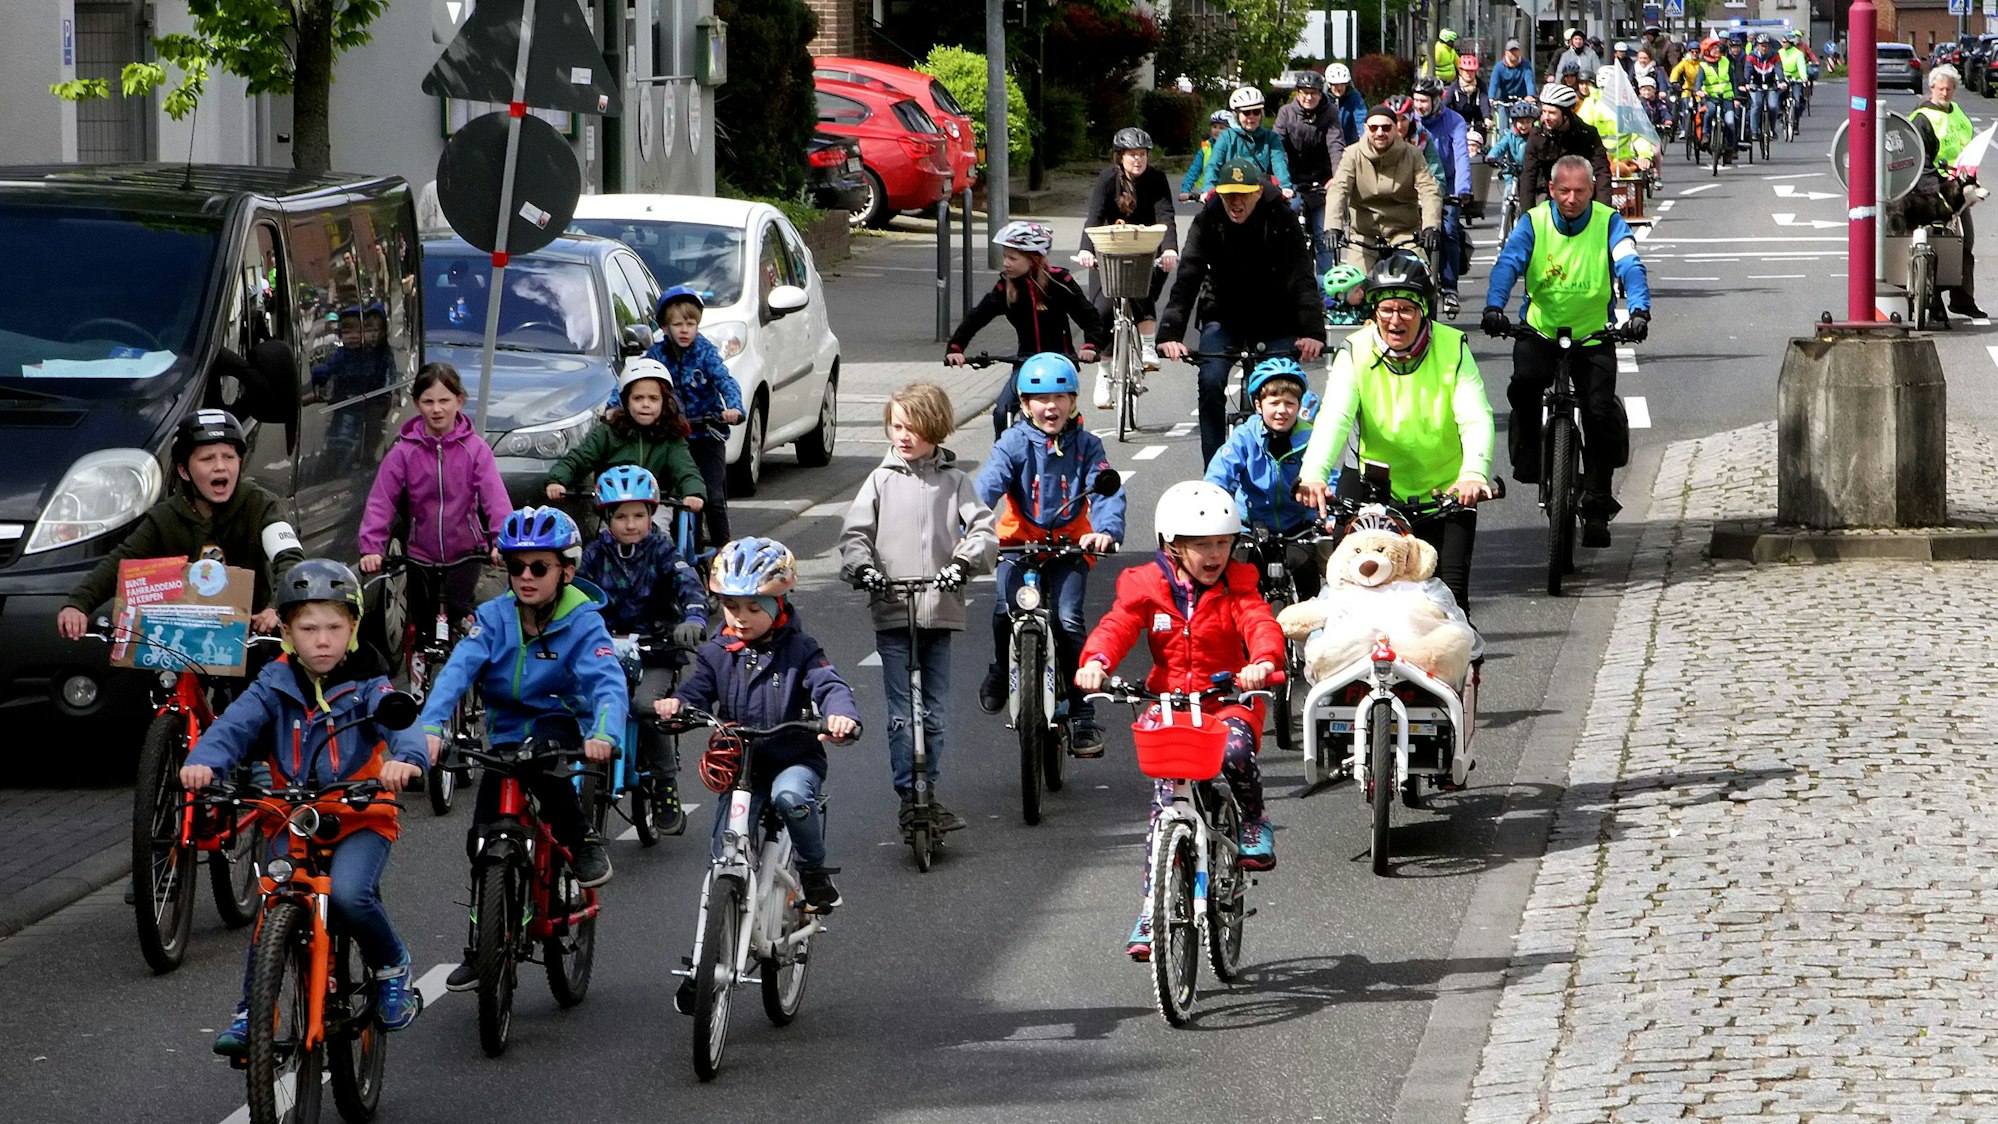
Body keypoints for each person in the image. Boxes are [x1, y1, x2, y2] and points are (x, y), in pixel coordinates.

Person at [185, 559, 428, 1056]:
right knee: (274, 899)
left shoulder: (368, 681)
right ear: (288, 633)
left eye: (335, 628)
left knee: (349, 895)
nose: (323, 640)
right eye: (309, 628)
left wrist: (406, 759)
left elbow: (399, 721)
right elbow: (234, 726)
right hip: (291, 815)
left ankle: (391, 963)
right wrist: (204, 761)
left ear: (353, 628)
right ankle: (254, 1009)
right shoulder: (273, 683)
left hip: (360, 814)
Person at [1074, 479, 1286, 959]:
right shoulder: (1145, 584)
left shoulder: (1240, 584)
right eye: (1201, 545)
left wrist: (1264, 660)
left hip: (1229, 697)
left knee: (1234, 750)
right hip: (1170, 702)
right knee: (1163, 802)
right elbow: (1118, 625)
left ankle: (1253, 817)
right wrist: (1097, 663)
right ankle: (1152, 909)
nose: (1214, 555)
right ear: (1172, 545)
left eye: (1222, 543)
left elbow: (1260, 623)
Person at [429, 505, 627, 990]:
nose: (526, 577)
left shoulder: (583, 619)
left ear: (567, 571)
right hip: (505, 731)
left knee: (545, 763)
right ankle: (481, 947)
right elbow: (458, 670)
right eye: (516, 567)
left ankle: (580, 841)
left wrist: (603, 733)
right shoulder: (494, 617)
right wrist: (430, 726)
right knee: (482, 837)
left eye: (539, 567)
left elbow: (607, 682)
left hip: (560, 719)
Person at [654, 537, 861, 928]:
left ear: (779, 606)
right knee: (724, 855)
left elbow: (830, 685)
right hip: (741, 767)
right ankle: (707, 958)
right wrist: (679, 705)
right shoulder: (717, 651)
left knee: (791, 797)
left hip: (793, 758)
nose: (739, 617)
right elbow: (698, 689)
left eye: (753, 607)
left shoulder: (801, 649)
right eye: (731, 607)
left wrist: (840, 717)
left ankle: (815, 874)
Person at [838, 381, 998, 831]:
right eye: (897, 426)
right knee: (901, 714)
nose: (903, 436)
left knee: (936, 712)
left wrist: (962, 564)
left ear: (937, 428)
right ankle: (910, 794)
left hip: (940, 609)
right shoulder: (880, 480)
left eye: (914, 428)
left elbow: (983, 531)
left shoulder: (955, 481)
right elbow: (854, 535)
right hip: (893, 610)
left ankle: (931, 788)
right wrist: (863, 568)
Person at [1297, 252, 1496, 609]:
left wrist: (1474, 473)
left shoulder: (1452, 347)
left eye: (1407, 309)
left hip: (1445, 490)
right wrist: (1313, 474)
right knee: (1349, 592)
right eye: (1386, 309)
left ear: (1423, 311)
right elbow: (1335, 416)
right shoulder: (1355, 350)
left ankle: (1468, 665)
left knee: (1450, 604)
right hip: (1373, 485)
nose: (1395, 319)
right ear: (1373, 312)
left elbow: (1475, 416)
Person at [1482, 155, 1653, 548]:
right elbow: (1510, 262)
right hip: (1540, 330)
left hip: (1593, 335)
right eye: (1563, 191)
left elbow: (1629, 265)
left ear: (1592, 190)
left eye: (1580, 191)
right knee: (1524, 385)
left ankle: (1596, 503)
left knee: (1598, 412)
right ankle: (1528, 452)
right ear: (1552, 190)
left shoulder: (1609, 221)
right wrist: (1494, 307)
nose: (1571, 199)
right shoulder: (1534, 222)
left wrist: (1639, 310)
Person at [973, 355, 1126, 753]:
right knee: (1002, 611)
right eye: (1040, 399)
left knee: (1068, 619)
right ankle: (997, 668)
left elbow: (1107, 490)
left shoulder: (1088, 446)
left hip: (1072, 546)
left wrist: (1106, 532)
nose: (1051, 406)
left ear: (1074, 400)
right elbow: (986, 486)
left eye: (1060, 396)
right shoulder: (1013, 443)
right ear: (1024, 404)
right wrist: (967, 526)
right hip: (1018, 544)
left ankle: (1082, 713)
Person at [57, 408, 302, 641]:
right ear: (184, 471)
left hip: (253, 637)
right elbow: (120, 563)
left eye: (229, 457)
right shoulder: (164, 517)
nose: (220, 466)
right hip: (187, 640)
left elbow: (288, 558)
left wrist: (277, 607)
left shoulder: (262, 505)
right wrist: (78, 603)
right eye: (207, 459)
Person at [1156, 157, 1328, 467]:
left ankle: (1290, 465)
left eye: (1242, 194)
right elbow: (1188, 276)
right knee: (1210, 380)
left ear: (1258, 193)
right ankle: (1215, 469)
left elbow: (1302, 275)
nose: (1235, 202)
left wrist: (1312, 332)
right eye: (1227, 194)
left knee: (1284, 384)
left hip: (1277, 315)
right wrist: (1170, 332)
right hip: (1224, 314)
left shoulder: (1281, 218)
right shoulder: (1207, 220)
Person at [577, 465, 708, 836]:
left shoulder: (663, 550)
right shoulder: (594, 554)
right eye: (620, 516)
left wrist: (693, 619)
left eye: (639, 515)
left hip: (656, 649)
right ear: (606, 518)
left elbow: (689, 585)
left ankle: (665, 785)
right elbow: (574, 593)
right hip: (604, 648)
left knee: (644, 706)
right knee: (580, 701)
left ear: (651, 515)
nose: (630, 524)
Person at [358, 362, 510, 636]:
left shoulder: (476, 450)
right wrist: (372, 547)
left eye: (444, 400)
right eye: (428, 401)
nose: (436, 409)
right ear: (417, 404)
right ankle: (418, 669)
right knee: (423, 624)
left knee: (459, 611)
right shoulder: (404, 452)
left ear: (459, 401)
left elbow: (495, 498)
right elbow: (381, 500)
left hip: (465, 554)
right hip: (420, 556)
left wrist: (503, 542)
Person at [946, 220, 1105, 436]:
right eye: (1005, 257)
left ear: (1033, 259)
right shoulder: (1006, 287)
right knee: (1002, 413)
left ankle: (1073, 452)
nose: (1006, 263)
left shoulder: (1060, 281)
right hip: (1025, 363)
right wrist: (956, 347)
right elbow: (977, 317)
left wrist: (1090, 345)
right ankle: (1005, 463)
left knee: (1062, 418)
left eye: (1012, 258)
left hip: (1059, 363)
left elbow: (1088, 316)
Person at [1204, 358, 1326, 599]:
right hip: (1252, 525)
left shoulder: (1310, 438)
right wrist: (1214, 503)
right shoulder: (1244, 436)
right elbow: (1219, 473)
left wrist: (1327, 515)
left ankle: (1309, 635)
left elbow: (1327, 476)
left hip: (1298, 526)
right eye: (1274, 403)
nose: (1282, 410)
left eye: (1290, 403)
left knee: (1308, 581)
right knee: (1239, 587)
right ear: (1259, 406)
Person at [1076, 126, 1180, 406]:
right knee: (1103, 309)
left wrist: (1169, 248)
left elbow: (1166, 215)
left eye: (1142, 154)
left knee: (1141, 287)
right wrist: (1086, 251)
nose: (1138, 160)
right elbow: (1094, 216)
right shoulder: (1108, 180)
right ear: (1120, 156)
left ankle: (1147, 348)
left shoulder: (1156, 179)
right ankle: (1104, 374)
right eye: (1132, 154)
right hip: (1108, 252)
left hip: (1145, 250)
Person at [641, 286, 743, 547]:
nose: (685, 330)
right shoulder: (656, 355)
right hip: (673, 437)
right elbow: (636, 382)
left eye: (691, 323)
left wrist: (734, 407)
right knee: (672, 495)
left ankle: (724, 550)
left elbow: (725, 380)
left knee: (712, 495)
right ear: (665, 328)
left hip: (706, 433)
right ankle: (678, 549)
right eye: (678, 324)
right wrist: (614, 406)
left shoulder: (705, 353)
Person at [544, 357, 706, 520]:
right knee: (606, 537)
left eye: (653, 398)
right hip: (614, 503)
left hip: (656, 505)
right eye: (638, 398)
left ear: (664, 402)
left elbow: (685, 469)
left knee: (658, 533)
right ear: (625, 402)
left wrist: (693, 492)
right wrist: (558, 480)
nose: (645, 404)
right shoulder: (608, 432)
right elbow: (580, 458)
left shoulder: (670, 437)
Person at [1325, 104, 1445, 277]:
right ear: (1366, 129)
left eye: (1386, 127)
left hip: (1405, 235)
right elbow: (1338, 190)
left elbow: (1429, 190)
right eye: (1374, 128)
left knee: (1416, 280)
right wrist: (1333, 227)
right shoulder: (1352, 154)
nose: (1380, 133)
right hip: (1363, 238)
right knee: (1352, 290)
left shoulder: (1413, 154)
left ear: (1396, 129)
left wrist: (1431, 227)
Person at [1911, 65, 1986, 318]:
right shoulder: (1922, 118)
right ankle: (1932, 301)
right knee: (1936, 243)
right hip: (1932, 192)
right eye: (1941, 88)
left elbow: (1969, 150)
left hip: (1957, 191)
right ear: (1931, 88)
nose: (1945, 93)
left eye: (1950, 89)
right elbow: (1917, 160)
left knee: (1966, 242)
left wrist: (1969, 184)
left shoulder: (1958, 114)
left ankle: (1963, 298)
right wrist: (1937, 189)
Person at [1275, 70, 1347, 275]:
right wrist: (1283, 181)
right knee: (1290, 226)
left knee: (1323, 235)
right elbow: (1278, 148)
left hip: (1321, 180)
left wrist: (1337, 177)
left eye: (1313, 93)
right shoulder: (1286, 113)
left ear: (1320, 93)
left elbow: (1335, 145)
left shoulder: (1330, 112)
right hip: (1292, 180)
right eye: (1304, 92)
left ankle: (1326, 292)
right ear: (1297, 93)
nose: (1308, 97)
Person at [1413, 77, 1474, 316]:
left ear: (1437, 101)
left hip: (1447, 184)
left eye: (1424, 101)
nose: (1419, 106)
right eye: (1416, 100)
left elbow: (1461, 157)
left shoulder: (1454, 121)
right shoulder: (1409, 121)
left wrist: (1463, 190)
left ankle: (1449, 290)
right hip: (1415, 183)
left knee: (1448, 231)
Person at [1520, 82, 1612, 207]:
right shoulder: (1537, 136)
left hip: (1580, 195)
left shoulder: (1587, 134)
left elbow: (1602, 172)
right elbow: (1528, 177)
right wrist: (1527, 216)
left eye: (1552, 113)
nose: (1546, 117)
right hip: (1548, 193)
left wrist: (1604, 211)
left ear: (1566, 114)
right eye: (1544, 112)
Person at [1199, 86, 1295, 198]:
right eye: (1246, 113)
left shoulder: (1271, 137)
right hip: (1231, 193)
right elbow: (1213, 165)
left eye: (1256, 112)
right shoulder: (1226, 137)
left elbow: (1279, 163)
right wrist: (1208, 189)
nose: (1251, 117)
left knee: (1289, 213)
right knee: (1205, 215)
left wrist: (1285, 186)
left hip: (1260, 194)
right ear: (1237, 115)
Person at [1695, 36, 1744, 167]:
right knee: (1709, 111)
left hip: (1727, 97)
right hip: (1711, 97)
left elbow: (1733, 81)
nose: (1717, 50)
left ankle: (1730, 148)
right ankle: (1706, 135)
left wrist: (1736, 98)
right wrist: (1698, 90)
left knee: (1730, 122)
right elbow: (1698, 82)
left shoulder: (1726, 62)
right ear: (1707, 50)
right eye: (1713, 48)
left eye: (1717, 48)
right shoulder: (1703, 65)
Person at [1180, 110, 1233, 201]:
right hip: (1209, 193)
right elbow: (1194, 170)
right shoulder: (1206, 147)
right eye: (1214, 126)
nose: (1217, 130)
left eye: (1221, 128)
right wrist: (1185, 190)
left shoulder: (1234, 147)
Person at [1743, 36, 1783, 145]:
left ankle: (1772, 129)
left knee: (1773, 106)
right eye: (1762, 46)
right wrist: (1746, 83)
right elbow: (1748, 69)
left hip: (1770, 84)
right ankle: (1754, 131)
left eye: (1766, 46)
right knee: (1756, 104)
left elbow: (1779, 68)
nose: (1764, 48)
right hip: (1756, 84)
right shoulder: (1751, 56)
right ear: (1758, 46)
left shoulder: (1774, 55)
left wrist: (1781, 81)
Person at [1325, 62, 1370, 145]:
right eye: (1335, 84)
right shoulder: (1322, 98)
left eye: (1342, 84)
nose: (1339, 88)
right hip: (1326, 142)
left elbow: (1361, 117)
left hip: (1349, 142)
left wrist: (1365, 137)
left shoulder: (1354, 96)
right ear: (1329, 84)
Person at [1449, 55, 1490, 140]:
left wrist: (1486, 118)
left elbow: (1484, 101)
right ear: (1460, 71)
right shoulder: (1454, 87)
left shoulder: (1480, 85)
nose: (1469, 74)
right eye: (1466, 71)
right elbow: (1446, 103)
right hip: (1458, 123)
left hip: (1476, 123)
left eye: (1472, 71)